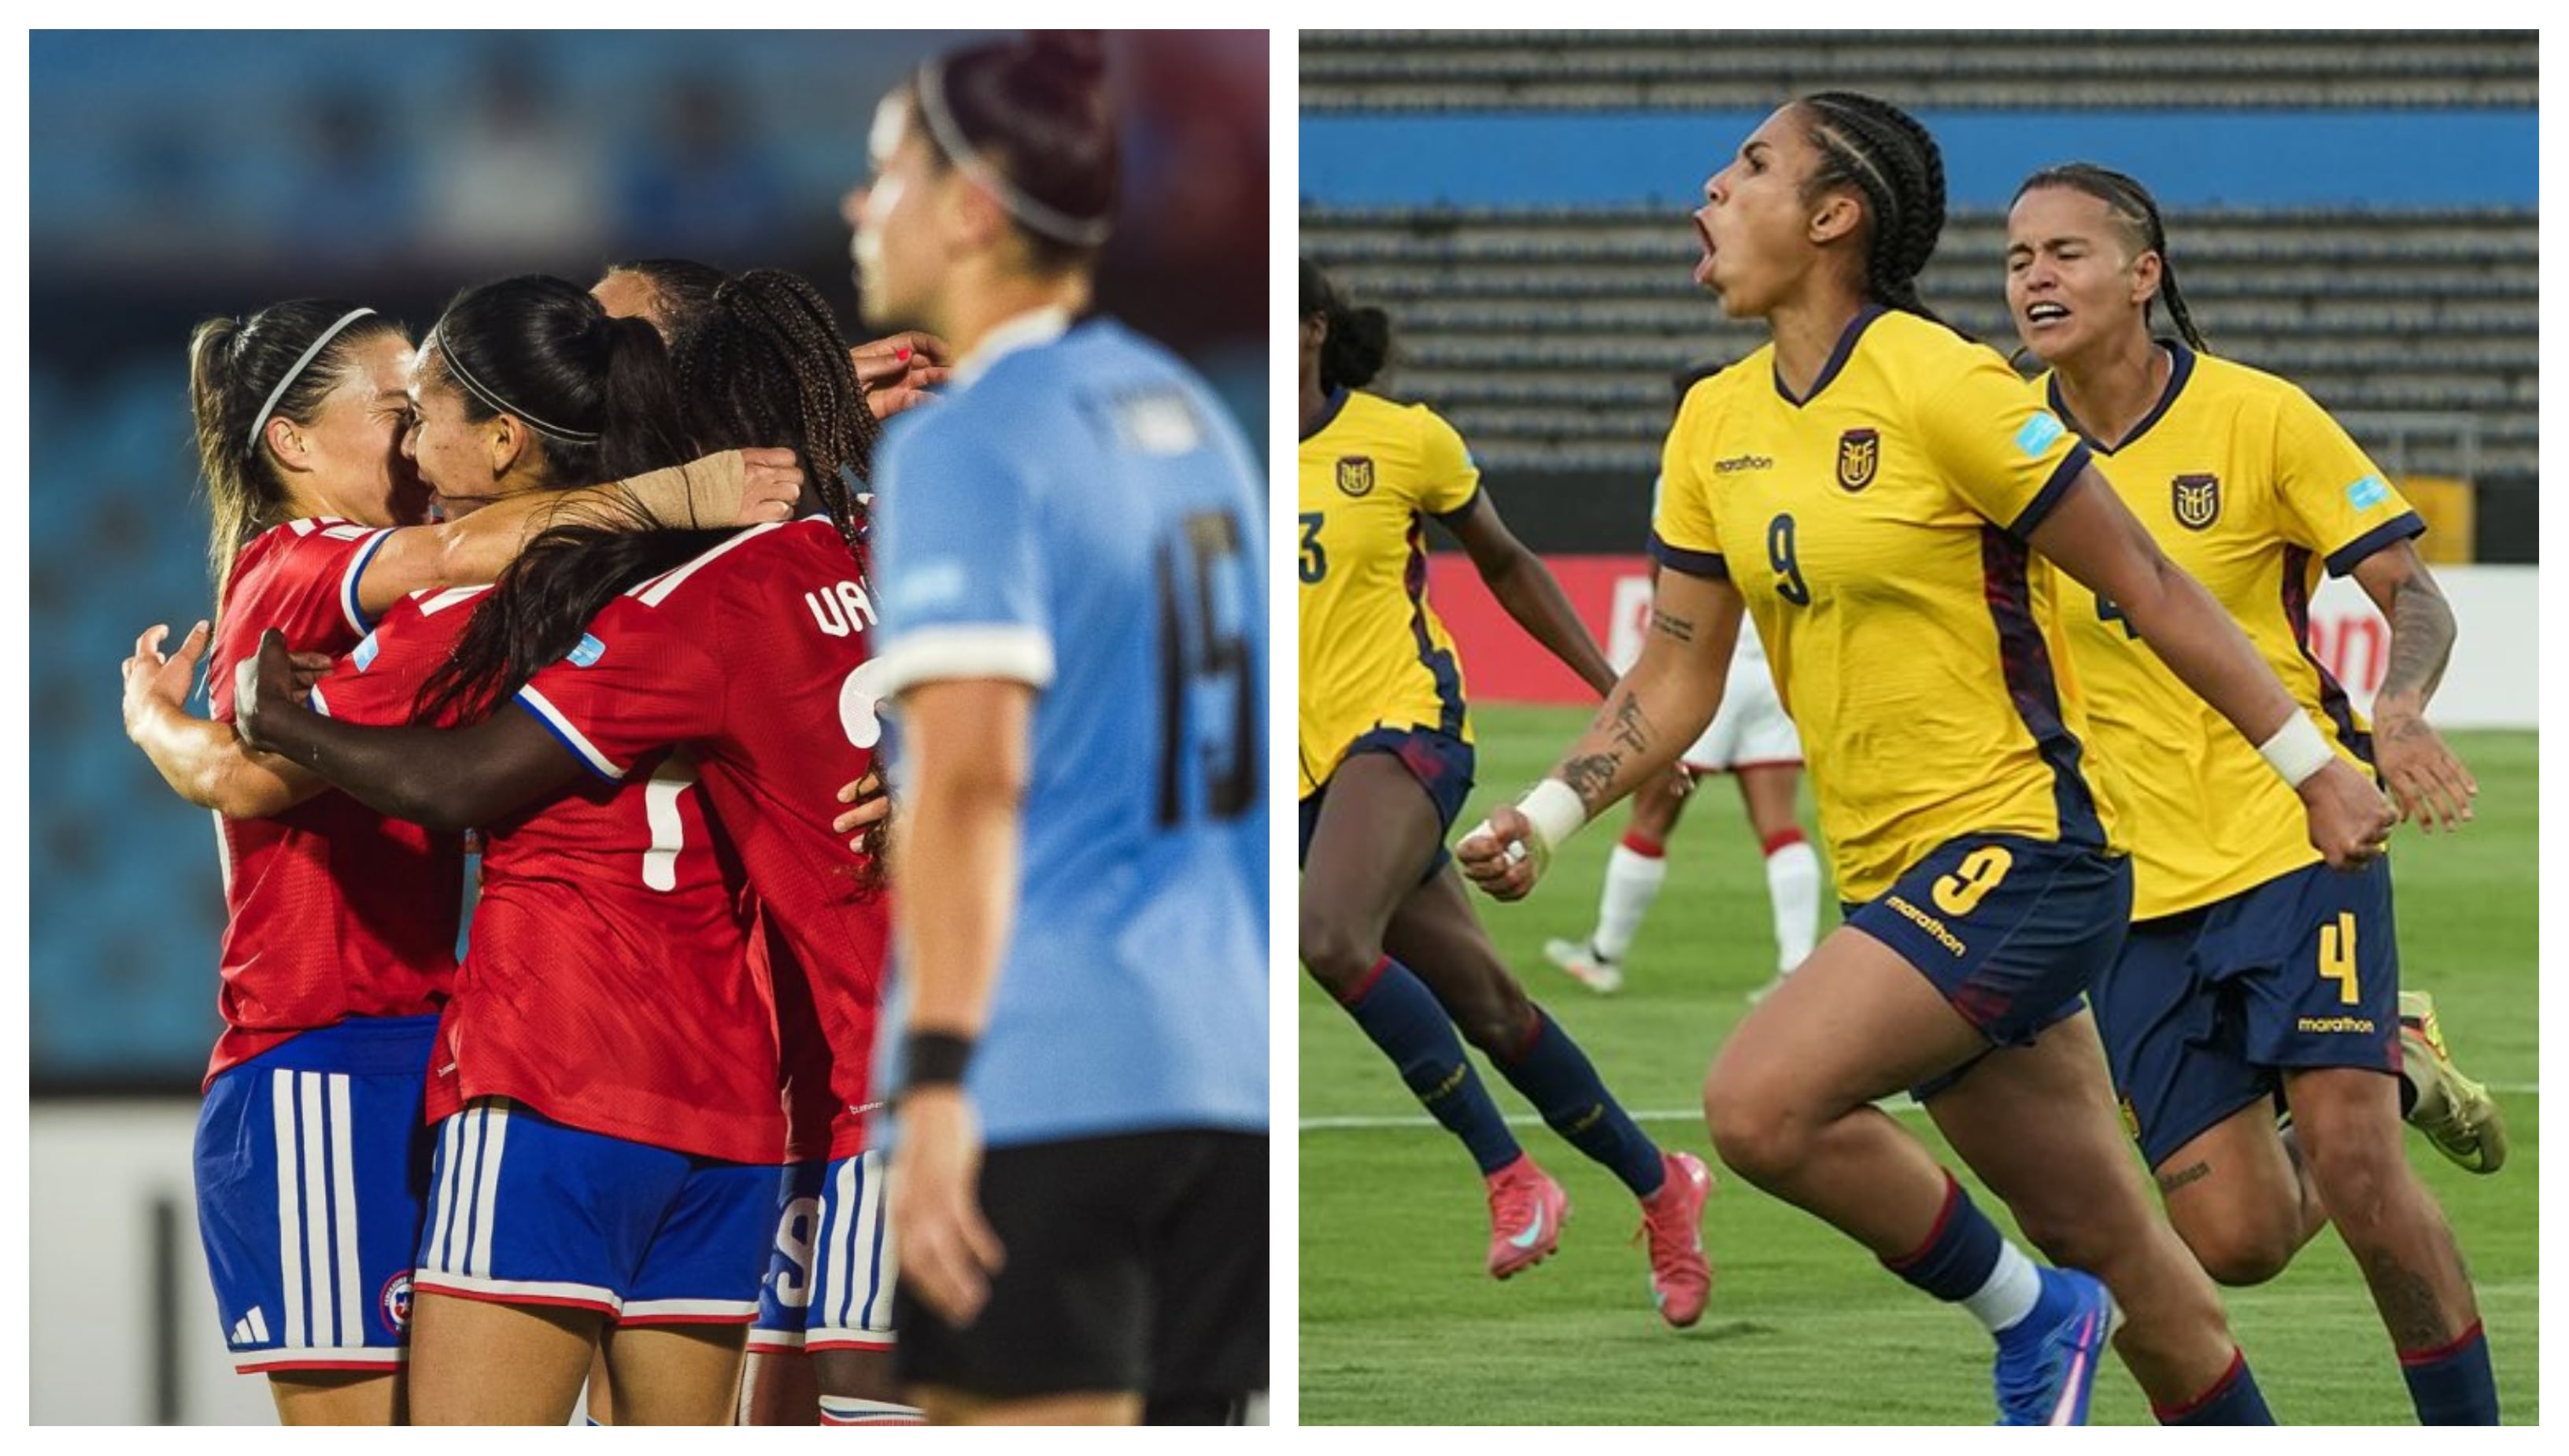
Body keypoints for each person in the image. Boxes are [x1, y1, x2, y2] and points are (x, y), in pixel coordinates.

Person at [1460, 92, 2395, 1425]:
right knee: (2130, 1265)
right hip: (1892, 877)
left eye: (1751, 166)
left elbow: (2146, 579)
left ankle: (2030, 1317)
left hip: (2024, 853)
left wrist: (2312, 764)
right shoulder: (1711, 421)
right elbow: (1672, 676)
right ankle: (2094, 1319)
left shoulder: (1944, 383)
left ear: (1834, 216)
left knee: (1760, 1106)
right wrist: (1549, 812)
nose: (1710, 190)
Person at [222, 270, 904, 1424]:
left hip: (557, 1070)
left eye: (424, 411)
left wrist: (236, 718)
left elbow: (263, 776)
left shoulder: (536, 604)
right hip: (739, 1099)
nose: (410, 443)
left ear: (504, 439)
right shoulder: (825, 554)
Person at [2004, 161, 2502, 1423]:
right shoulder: (1998, 437)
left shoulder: (2259, 413)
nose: (2035, 278)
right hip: (2126, 880)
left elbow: (2413, 593)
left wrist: (2397, 710)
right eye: (2017, 259)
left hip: (2298, 833)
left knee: (2359, 1171)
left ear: (2143, 274)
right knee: (2235, 1238)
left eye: (2065, 252)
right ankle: (2401, 1064)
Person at [852, 32, 1267, 1425]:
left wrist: (936, 1083)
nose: (861, 208)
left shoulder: (966, 438)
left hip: (1051, 1062)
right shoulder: (1190, 411)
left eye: (888, 172)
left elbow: (974, 782)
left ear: (972, 208)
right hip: (1224, 1071)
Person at [1299, 258, 1714, 1319]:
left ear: (1313, 329)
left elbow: (1509, 564)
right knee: (1492, 1007)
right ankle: (1663, 1185)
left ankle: (1511, 1174)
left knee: (1331, 938)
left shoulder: (1404, 440)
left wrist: (1623, 697)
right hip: (1305, 771)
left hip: (1405, 727)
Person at [1547, 364, 1821, 1001]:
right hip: (1772, 665)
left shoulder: (1685, 467)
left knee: (1651, 814)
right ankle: (1798, 966)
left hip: (1705, 668)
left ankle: (1604, 954)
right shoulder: (1778, 460)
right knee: (1780, 823)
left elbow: (1668, 574)